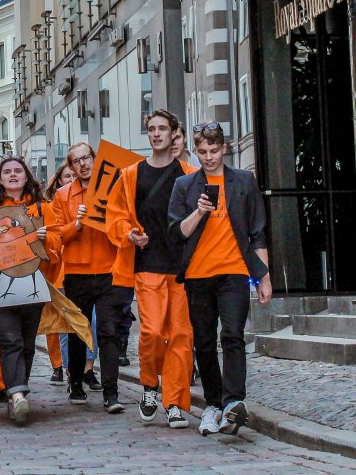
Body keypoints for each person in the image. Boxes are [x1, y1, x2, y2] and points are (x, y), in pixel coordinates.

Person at [169, 122, 272, 437]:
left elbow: (257, 232)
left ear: (224, 148)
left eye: (214, 150)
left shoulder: (243, 181)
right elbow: (176, 233)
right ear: (196, 151)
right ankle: (212, 405)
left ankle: (233, 403)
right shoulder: (185, 185)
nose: (209, 157)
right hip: (197, 275)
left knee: (232, 335)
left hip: (234, 272)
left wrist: (264, 277)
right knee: (203, 342)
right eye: (202, 151)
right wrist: (199, 212)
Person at [107, 110, 198, 429]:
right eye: (151, 129)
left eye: (162, 128)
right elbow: (115, 215)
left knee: (181, 335)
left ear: (174, 133)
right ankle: (149, 384)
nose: (156, 133)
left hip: (182, 267)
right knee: (152, 331)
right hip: (147, 264)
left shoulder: (188, 173)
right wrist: (128, 233)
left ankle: (174, 402)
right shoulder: (131, 174)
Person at [0, 157, 62, 425]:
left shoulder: (43, 206)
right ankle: (18, 395)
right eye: (7, 172)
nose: (12, 175)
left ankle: (16, 392)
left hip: (31, 276)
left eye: (17, 171)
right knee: (10, 338)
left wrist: (49, 238)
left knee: (26, 339)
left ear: (26, 176)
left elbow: (58, 242)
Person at [51, 143, 126, 413]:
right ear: (70, 166)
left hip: (108, 270)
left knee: (108, 331)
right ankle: (76, 384)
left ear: (95, 159)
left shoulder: (112, 189)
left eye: (87, 158)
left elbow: (123, 221)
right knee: (77, 332)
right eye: (77, 161)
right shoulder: (62, 195)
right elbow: (57, 233)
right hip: (76, 272)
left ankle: (111, 392)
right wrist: (78, 225)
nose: (83, 164)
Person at [41, 163, 75, 385]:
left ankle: (75, 366)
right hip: (55, 269)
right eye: (67, 176)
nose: (72, 179)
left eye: (74, 175)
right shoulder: (50, 207)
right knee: (55, 323)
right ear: (58, 181)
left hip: (78, 268)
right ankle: (57, 364)